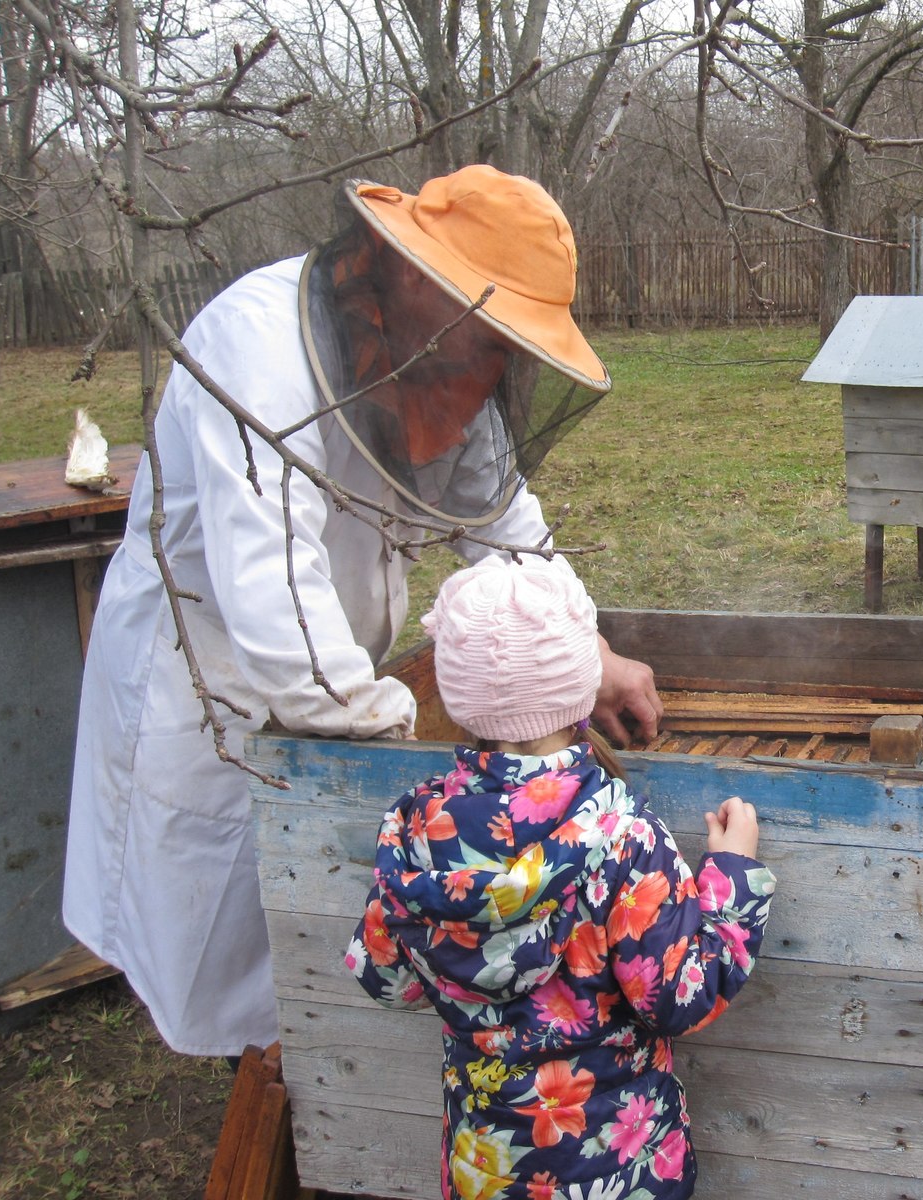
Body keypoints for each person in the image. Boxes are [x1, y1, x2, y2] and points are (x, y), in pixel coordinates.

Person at [65, 165, 664, 1058]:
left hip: (327, 669)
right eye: (490, 340)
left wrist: (593, 657)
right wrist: (414, 744)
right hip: (204, 680)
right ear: (418, 279)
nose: (492, 370)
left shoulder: (439, 351)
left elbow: (511, 535)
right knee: (213, 934)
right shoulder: (257, 352)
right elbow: (281, 620)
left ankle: (304, 1063)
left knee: (309, 946)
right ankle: (257, 1079)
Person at [347, 555, 774, 1200]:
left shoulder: (416, 837)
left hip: (484, 1170)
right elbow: (682, 998)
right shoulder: (620, 839)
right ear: (582, 687)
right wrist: (733, 874)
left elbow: (384, 978)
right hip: (618, 1173)